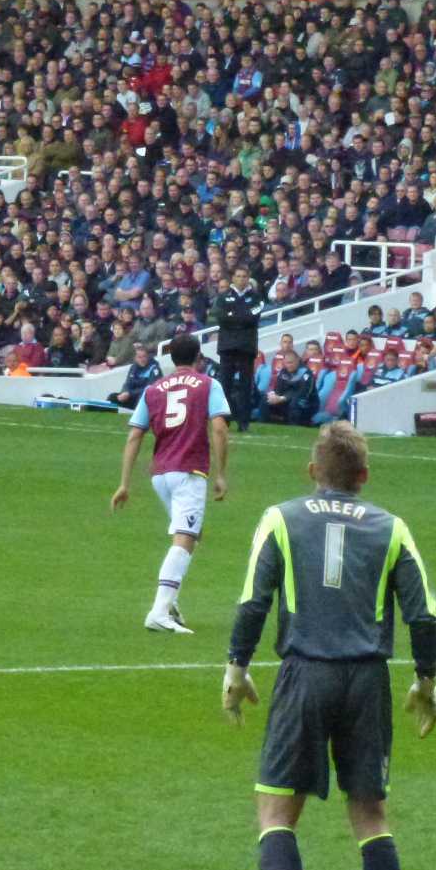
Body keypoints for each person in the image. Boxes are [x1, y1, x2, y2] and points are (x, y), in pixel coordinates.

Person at [223, 422, 436, 870]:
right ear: (364, 477)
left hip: (304, 675)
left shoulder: (281, 517)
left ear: (312, 470)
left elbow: (253, 599)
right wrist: (426, 680)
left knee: (275, 812)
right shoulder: (392, 529)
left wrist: (236, 667)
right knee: (370, 816)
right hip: (367, 680)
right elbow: (423, 616)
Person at [111, 333, 231, 633]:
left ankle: (172, 601)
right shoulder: (208, 384)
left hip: (160, 474)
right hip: (189, 471)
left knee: (191, 533)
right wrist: (221, 473)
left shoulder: (153, 389)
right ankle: (159, 611)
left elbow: (135, 434)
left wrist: (124, 483)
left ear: (171, 359)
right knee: (185, 537)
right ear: (198, 357)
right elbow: (219, 428)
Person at [210, 266, 264, 433]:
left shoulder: (256, 297)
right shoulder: (223, 296)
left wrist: (233, 316)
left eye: (244, 276)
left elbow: (252, 317)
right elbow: (219, 316)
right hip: (227, 347)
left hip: (246, 347)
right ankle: (225, 419)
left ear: (248, 278)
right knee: (224, 385)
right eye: (238, 276)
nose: (241, 279)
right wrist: (239, 317)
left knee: (245, 386)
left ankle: (243, 421)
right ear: (233, 278)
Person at [266, 350, 319, 425]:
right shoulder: (283, 371)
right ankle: (267, 423)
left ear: (297, 360)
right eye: (287, 363)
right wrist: (274, 396)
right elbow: (278, 388)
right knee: (265, 399)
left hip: (307, 404)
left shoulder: (305, 373)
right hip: (286, 400)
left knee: (295, 403)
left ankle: (294, 425)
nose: (289, 365)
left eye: (291, 362)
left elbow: (302, 393)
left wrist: (282, 398)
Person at [109, 342, 163, 410]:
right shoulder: (133, 367)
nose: (142, 359)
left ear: (148, 356)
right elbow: (128, 383)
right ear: (135, 358)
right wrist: (125, 392)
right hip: (133, 396)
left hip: (145, 397)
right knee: (112, 397)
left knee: (142, 397)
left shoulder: (154, 368)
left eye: (144, 356)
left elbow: (150, 388)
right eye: (139, 357)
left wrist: (130, 394)